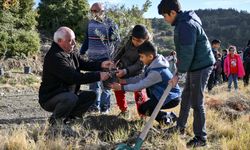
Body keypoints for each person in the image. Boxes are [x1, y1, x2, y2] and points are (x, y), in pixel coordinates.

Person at [158, 0, 215, 147]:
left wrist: (178, 74)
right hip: (195, 64)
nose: (165, 19)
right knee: (186, 97)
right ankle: (180, 127)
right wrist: (181, 67)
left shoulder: (185, 25)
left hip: (201, 65)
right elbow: (186, 50)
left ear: (173, 13)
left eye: (165, 16)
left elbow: (188, 52)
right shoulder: (183, 22)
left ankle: (201, 138)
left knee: (196, 102)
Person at [39, 27, 113, 125]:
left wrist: (101, 65)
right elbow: (75, 77)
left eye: (74, 39)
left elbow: (83, 63)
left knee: (90, 96)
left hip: (66, 92)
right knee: (71, 98)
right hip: (50, 97)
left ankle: (71, 119)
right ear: (59, 41)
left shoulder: (70, 51)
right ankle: (55, 122)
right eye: (70, 40)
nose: (74, 43)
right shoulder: (55, 57)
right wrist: (98, 76)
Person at [110, 41, 181, 125]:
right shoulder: (154, 63)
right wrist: (124, 81)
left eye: (141, 57)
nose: (140, 59)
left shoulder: (156, 72)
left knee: (144, 109)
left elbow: (140, 85)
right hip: (161, 95)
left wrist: (121, 88)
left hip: (170, 98)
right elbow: (141, 77)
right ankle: (166, 118)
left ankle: (167, 118)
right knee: (145, 108)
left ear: (150, 56)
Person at [80, 2, 120, 113]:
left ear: (103, 11)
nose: (93, 13)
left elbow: (117, 42)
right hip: (92, 60)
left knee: (106, 85)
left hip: (107, 59)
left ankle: (105, 108)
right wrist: (82, 52)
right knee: (94, 84)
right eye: (91, 11)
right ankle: (94, 106)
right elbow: (87, 40)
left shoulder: (110, 24)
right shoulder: (90, 23)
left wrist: (115, 59)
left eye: (95, 11)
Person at [112, 24, 149, 118]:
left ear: (145, 39)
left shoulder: (147, 48)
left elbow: (138, 65)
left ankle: (143, 116)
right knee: (118, 90)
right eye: (134, 39)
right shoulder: (128, 41)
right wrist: (114, 61)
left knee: (140, 96)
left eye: (139, 41)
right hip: (122, 69)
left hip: (137, 74)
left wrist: (125, 71)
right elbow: (121, 51)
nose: (136, 42)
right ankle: (124, 111)